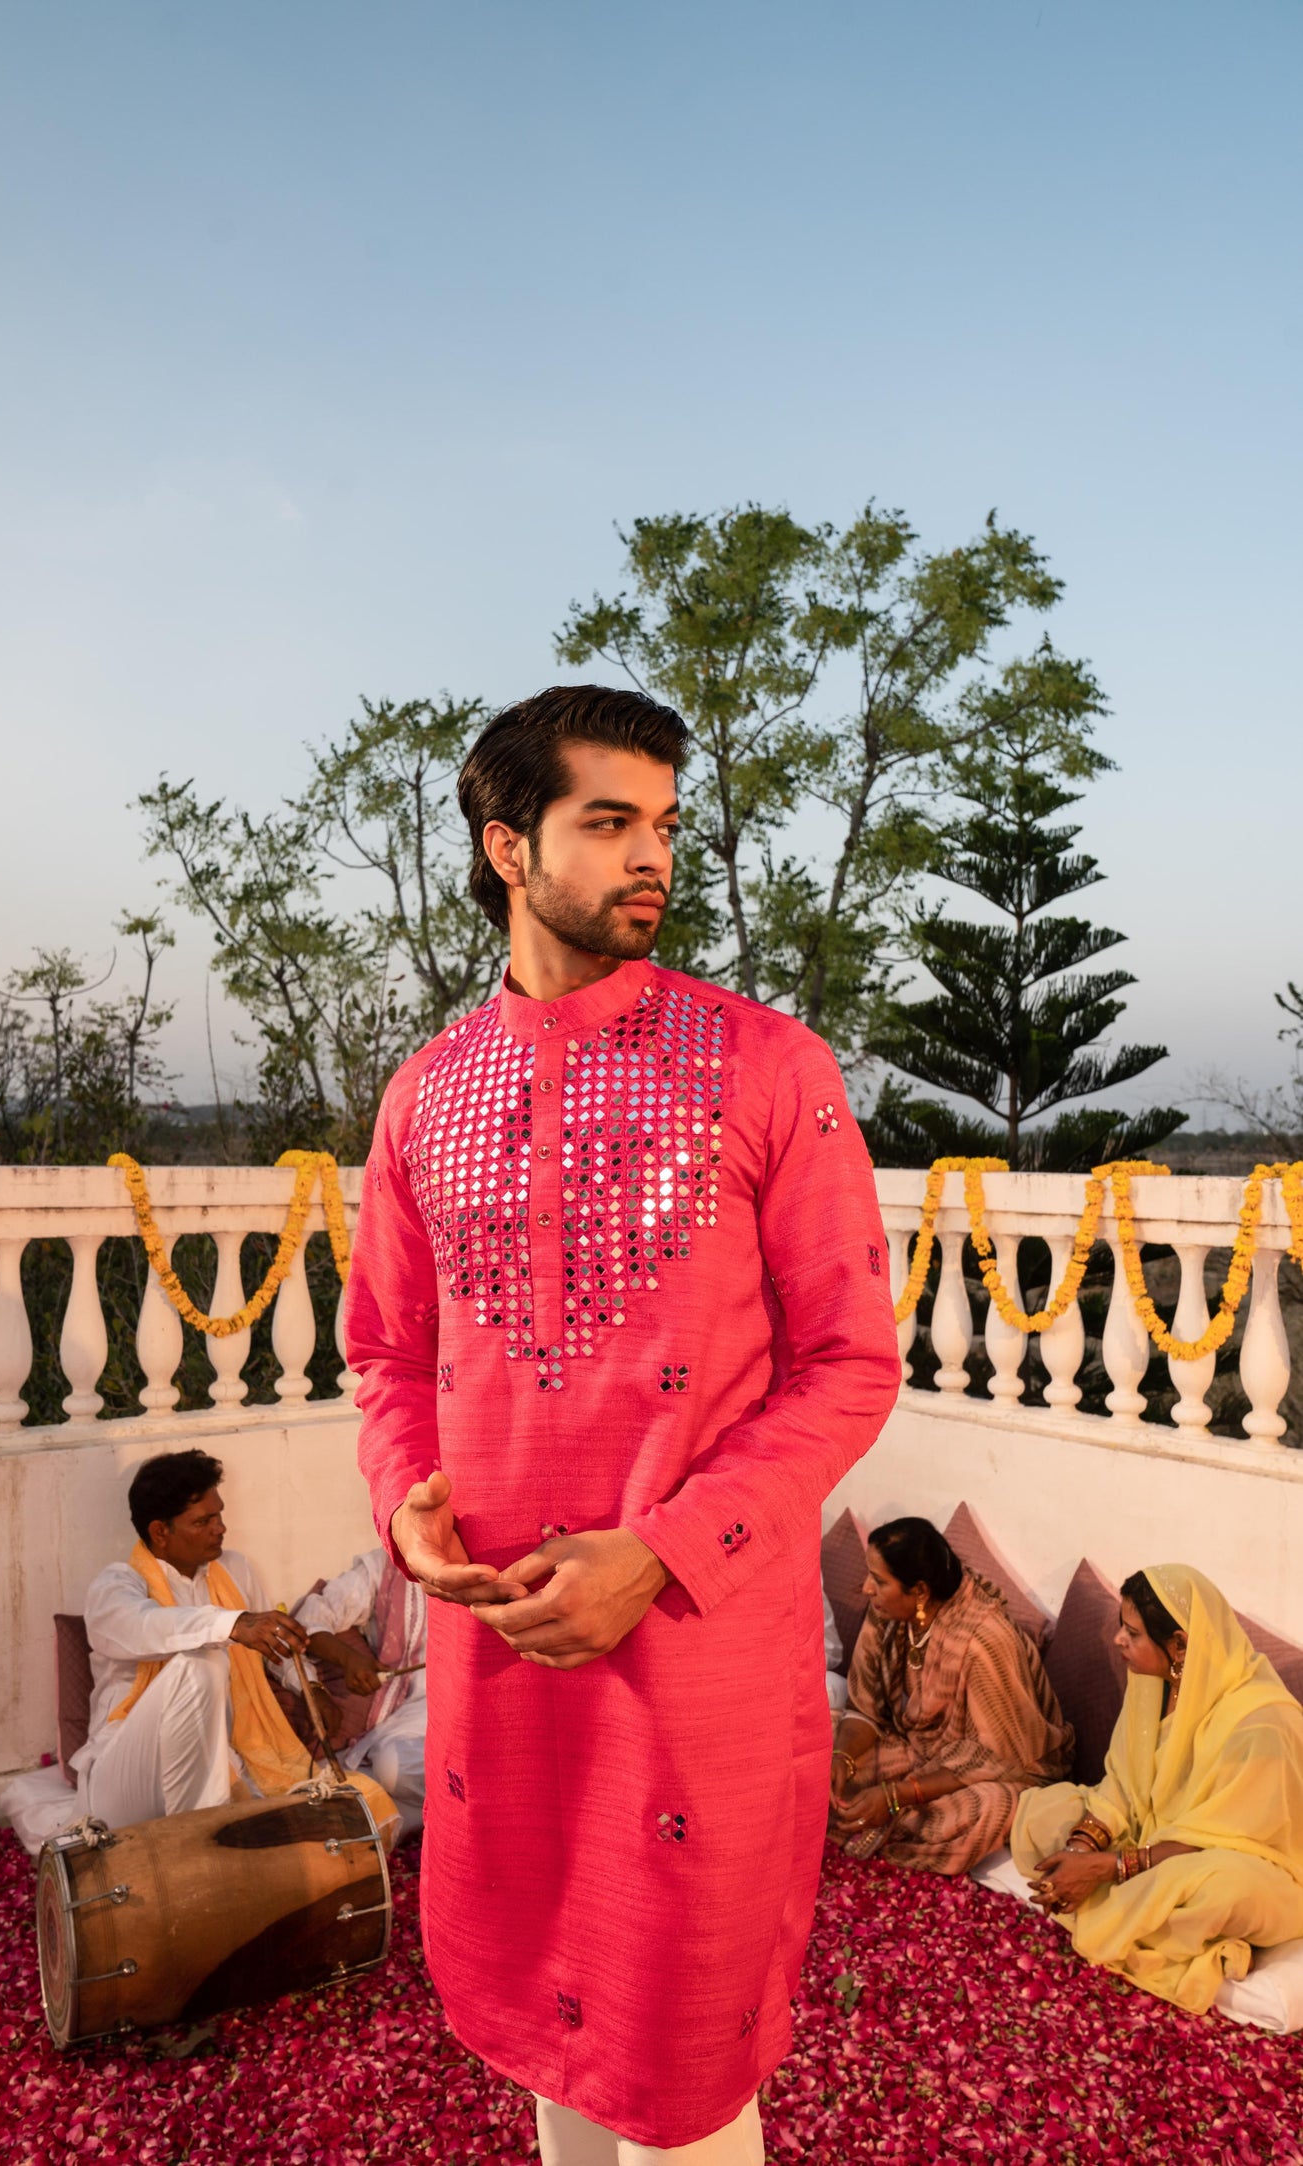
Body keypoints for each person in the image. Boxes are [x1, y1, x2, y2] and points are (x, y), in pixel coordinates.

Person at [345, 683, 901, 2165]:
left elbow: (849, 1364)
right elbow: (386, 1354)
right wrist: (408, 1497)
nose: (654, 854)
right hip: (502, 1657)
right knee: (553, 2051)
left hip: (691, 1655)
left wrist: (654, 1554)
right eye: (610, 822)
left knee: (683, 2078)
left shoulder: (771, 1068)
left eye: (663, 822)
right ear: (508, 846)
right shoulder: (423, 1096)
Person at [1012, 1564, 1303, 2013]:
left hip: (1239, 1864)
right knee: (1041, 1810)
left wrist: (1106, 1868)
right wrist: (1080, 1848)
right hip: (1150, 1838)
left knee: (1215, 1889)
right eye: (1120, 1628)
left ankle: (1113, 1898)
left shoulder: (1263, 1722)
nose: (1118, 1642)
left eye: (1133, 1633)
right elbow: (1124, 1787)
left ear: (1180, 1643)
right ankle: (1111, 1895)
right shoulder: (1152, 1682)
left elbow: (1227, 1842)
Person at [73, 1449, 314, 1827]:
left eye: (219, 1515)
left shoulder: (234, 1569)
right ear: (160, 1532)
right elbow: (143, 1626)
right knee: (203, 1663)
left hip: (228, 1760)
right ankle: (205, 1835)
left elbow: (274, 1648)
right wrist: (232, 1625)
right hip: (126, 1780)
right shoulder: (117, 1586)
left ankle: (207, 1829)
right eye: (203, 1521)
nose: (220, 1528)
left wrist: (311, 1688)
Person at [830, 1517, 1072, 1874]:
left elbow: (998, 1757)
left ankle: (890, 1827)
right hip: (920, 1751)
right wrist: (841, 1757)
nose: (866, 1588)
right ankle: (881, 1820)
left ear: (921, 1592)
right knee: (814, 1755)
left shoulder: (984, 1641)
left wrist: (896, 1796)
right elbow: (865, 1709)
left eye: (879, 1581)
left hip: (1004, 1770)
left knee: (986, 1808)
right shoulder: (887, 1611)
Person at [271, 1547, 428, 1838]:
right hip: (393, 1713)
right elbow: (310, 1619)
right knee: (330, 1783)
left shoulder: (492, 1565)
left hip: (468, 1711)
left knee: (394, 1768)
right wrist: (349, 1660)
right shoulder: (386, 1564)